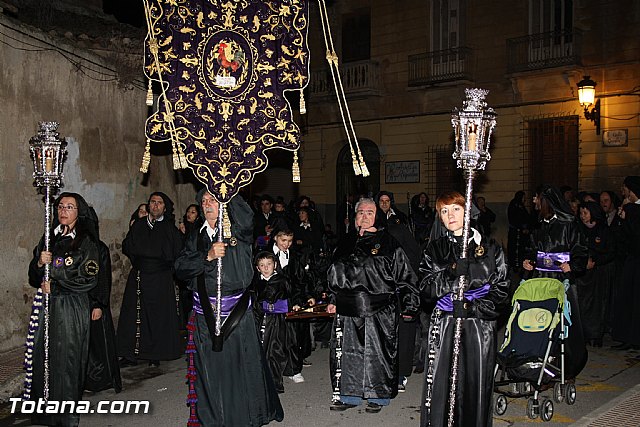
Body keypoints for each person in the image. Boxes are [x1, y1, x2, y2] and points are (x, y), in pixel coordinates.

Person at [175, 190, 283, 426]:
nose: (207, 205)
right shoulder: (196, 235)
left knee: (239, 368)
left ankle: (243, 416)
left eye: (212, 200)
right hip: (204, 312)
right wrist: (207, 256)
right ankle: (213, 417)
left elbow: (246, 215)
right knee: (210, 370)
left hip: (235, 312)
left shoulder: (238, 231)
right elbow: (181, 268)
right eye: (203, 201)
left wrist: (226, 187)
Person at [419, 190, 508, 427]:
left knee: (474, 386)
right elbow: (425, 289)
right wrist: (450, 273)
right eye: (444, 211)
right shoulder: (434, 249)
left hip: (479, 328)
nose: (450, 216)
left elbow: (501, 292)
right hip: (445, 325)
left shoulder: (490, 248)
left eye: (456, 209)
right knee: (442, 387)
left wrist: (471, 306)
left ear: (467, 211)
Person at [327, 198, 419, 413]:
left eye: (370, 212)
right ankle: (348, 396)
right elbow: (333, 273)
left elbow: (405, 276)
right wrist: (333, 299)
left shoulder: (389, 243)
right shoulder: (345, 243)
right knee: (347, 354)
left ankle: (378, 396)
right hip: (347, 309)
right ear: (355, 216)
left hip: (379, 309)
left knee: (377, 355)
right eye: (361, 212)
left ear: (376, 215)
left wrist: (409, 305)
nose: (365, 216)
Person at [27, 192, 100, 426]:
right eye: (60, 206)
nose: (63, 211)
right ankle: (43, 411)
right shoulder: (49, 238)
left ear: (79, 213)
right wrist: (40, 263)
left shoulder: (87, 242)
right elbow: (33, 275)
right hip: (48, 306)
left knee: (67, 359)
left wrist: (55, 277)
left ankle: (66, 416)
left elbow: (89, 277)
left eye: (70, 207)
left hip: (71, 306)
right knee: (44, 356)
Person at [522, 185, 589, 376]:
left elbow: (581, 250)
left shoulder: (569, 225)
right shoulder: (540, 225)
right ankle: (538, 359)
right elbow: (532, 250)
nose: (534, 201)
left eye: (536, 198)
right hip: (540, 280)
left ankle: (567, 364)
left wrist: (573, 266)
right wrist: (527, 262)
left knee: (563, 324)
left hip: (561, 281)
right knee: (538, 319)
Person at [117, 192, 183, 367]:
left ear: (165, 207)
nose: (155, 205)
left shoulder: (170, 229)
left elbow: (177, 251)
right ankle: (130, 354)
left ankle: (155, 353)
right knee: (134, 316)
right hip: (139, 276)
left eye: (159, 203)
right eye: (152, 202)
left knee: (157, 316)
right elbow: (128, 246)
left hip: (160, 278)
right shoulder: (138, 225)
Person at [85, 207, 122, 393]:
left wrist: (99, 304)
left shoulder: (98, 248)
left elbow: (103, 277)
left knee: (98, 345)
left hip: (93, 303)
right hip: (76, 304)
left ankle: (99, 379)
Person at [270, 228, 316, 381]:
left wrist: (307, 296)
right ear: (275, 238)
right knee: (273, 338)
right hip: (272, 301)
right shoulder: (265, 255)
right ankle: (271, 371)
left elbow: (300, 280)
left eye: (290, 241)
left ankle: (293, 369)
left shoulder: (294, 256)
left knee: (293, 337)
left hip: (291, 300)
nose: (287, 244)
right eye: (283, 240)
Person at [252, 251, 295, 394]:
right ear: (257, 268)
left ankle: (275, 383)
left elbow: (289, 296)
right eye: (262, 265)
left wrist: (292, 304)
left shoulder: (281, 280)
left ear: (275, 265)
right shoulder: (256, 283)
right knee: (260, 351)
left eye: (269, 264)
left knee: (275, 351)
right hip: (260, 321)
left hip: (277, 322)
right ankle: (260, 381)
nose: (266, 268)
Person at [575, 201, 616, 347]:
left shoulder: (604, 230)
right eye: (581, 213)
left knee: (599, 303)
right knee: (582, 303)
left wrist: (596, 261)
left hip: (600, 272)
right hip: (583, 274)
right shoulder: (578, 230)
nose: (582, 216)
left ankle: (596, 334)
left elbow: (611, 252)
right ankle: (584, 334)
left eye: (585, 213)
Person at [611, 176, 640, 350]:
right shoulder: (627, 208)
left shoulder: (633, 210)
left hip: (637, 260)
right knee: (627, 299)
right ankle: (627, 337)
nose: (623, 192)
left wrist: (627, 214)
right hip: (629, 260)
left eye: (625, 189)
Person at [507, 190, 532, 271]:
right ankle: (515, 265)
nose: (525, 199)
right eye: (524, 197)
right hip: (516, 231)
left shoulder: (520, 205)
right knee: (515, 249)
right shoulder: (515, 205)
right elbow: (515, 219)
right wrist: (522, 228)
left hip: (520, 231)